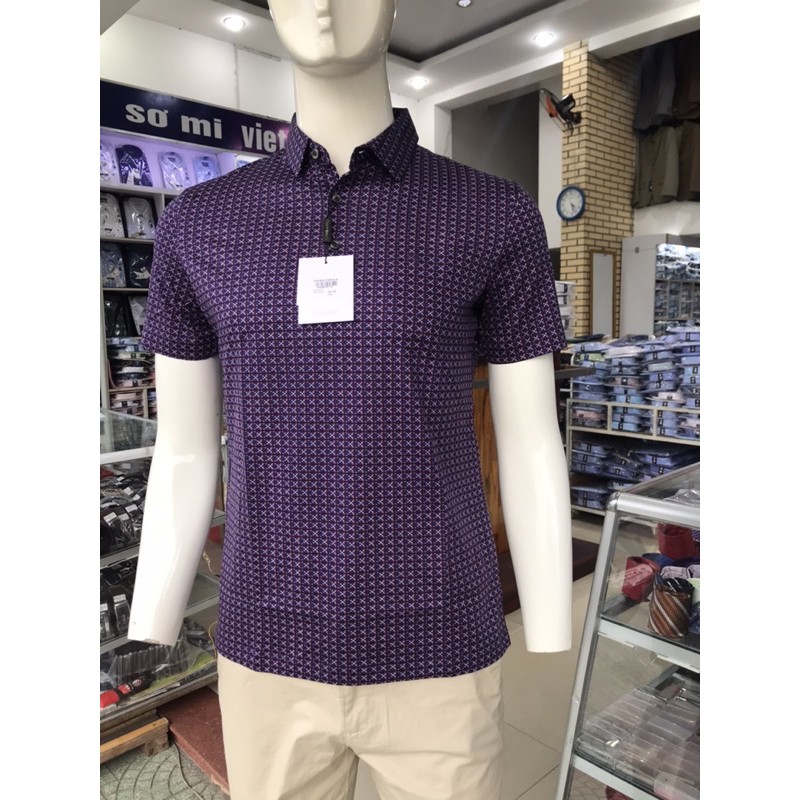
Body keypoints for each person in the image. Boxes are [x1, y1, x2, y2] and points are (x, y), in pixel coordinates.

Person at [128, 1, 573, 797]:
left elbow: (533, 436)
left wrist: (548, 613)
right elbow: (184, 446)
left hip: (439, 645)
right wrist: (153, 611)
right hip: (268, 650)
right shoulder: (199, 224)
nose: (326, 5)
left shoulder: (490, 213)